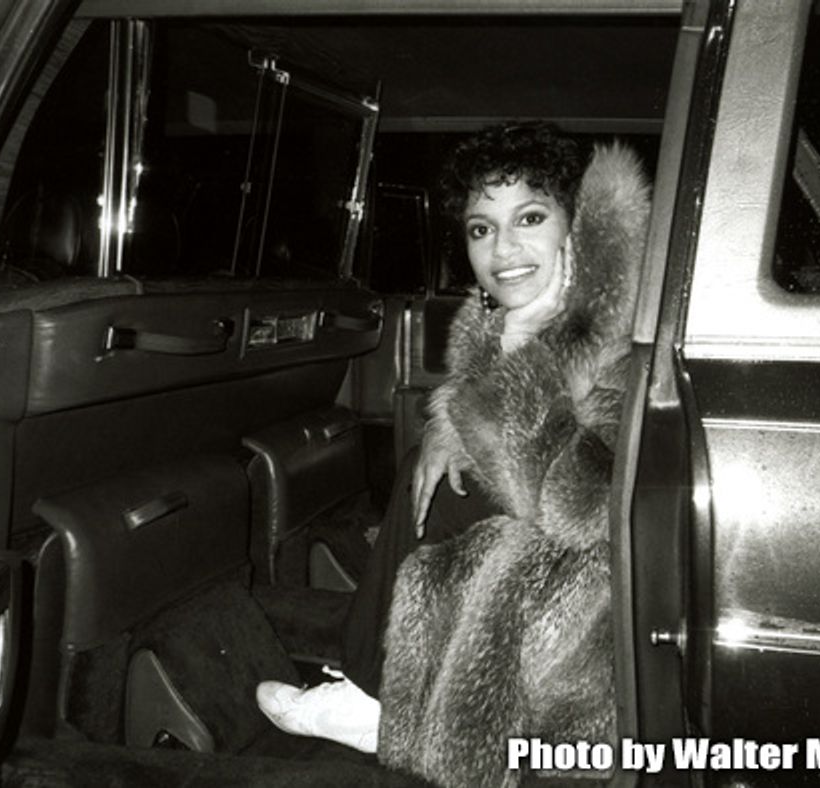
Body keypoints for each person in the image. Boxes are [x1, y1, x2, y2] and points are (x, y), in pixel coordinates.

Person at [257, 121, 652, 785]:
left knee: (446, 487)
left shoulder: (615, 341)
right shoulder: (501, 325)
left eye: (530, 217)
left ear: (576, 230)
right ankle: (374, 686)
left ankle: (374, 696)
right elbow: (486, 416)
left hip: (598, 573)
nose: (503, 248)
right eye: (480, 228)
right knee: (428, 465)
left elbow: (584, 505)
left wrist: (515, 353)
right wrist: (460, 413)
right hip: (557, 540)